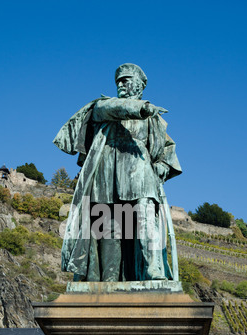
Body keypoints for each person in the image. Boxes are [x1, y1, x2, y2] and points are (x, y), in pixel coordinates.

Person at [53, 63, 182, 282]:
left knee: (145, 219)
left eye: (126, 79)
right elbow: (111, 108)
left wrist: (163, 165)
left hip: (140, 173)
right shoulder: (104, 107)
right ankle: (108, 282)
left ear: (140, 85)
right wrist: (141, 108)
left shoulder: (155, 120)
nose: (121, 83)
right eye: (118, 80)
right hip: (106, 176)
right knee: (108, 232)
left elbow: (168, 149)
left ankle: (154, 270)